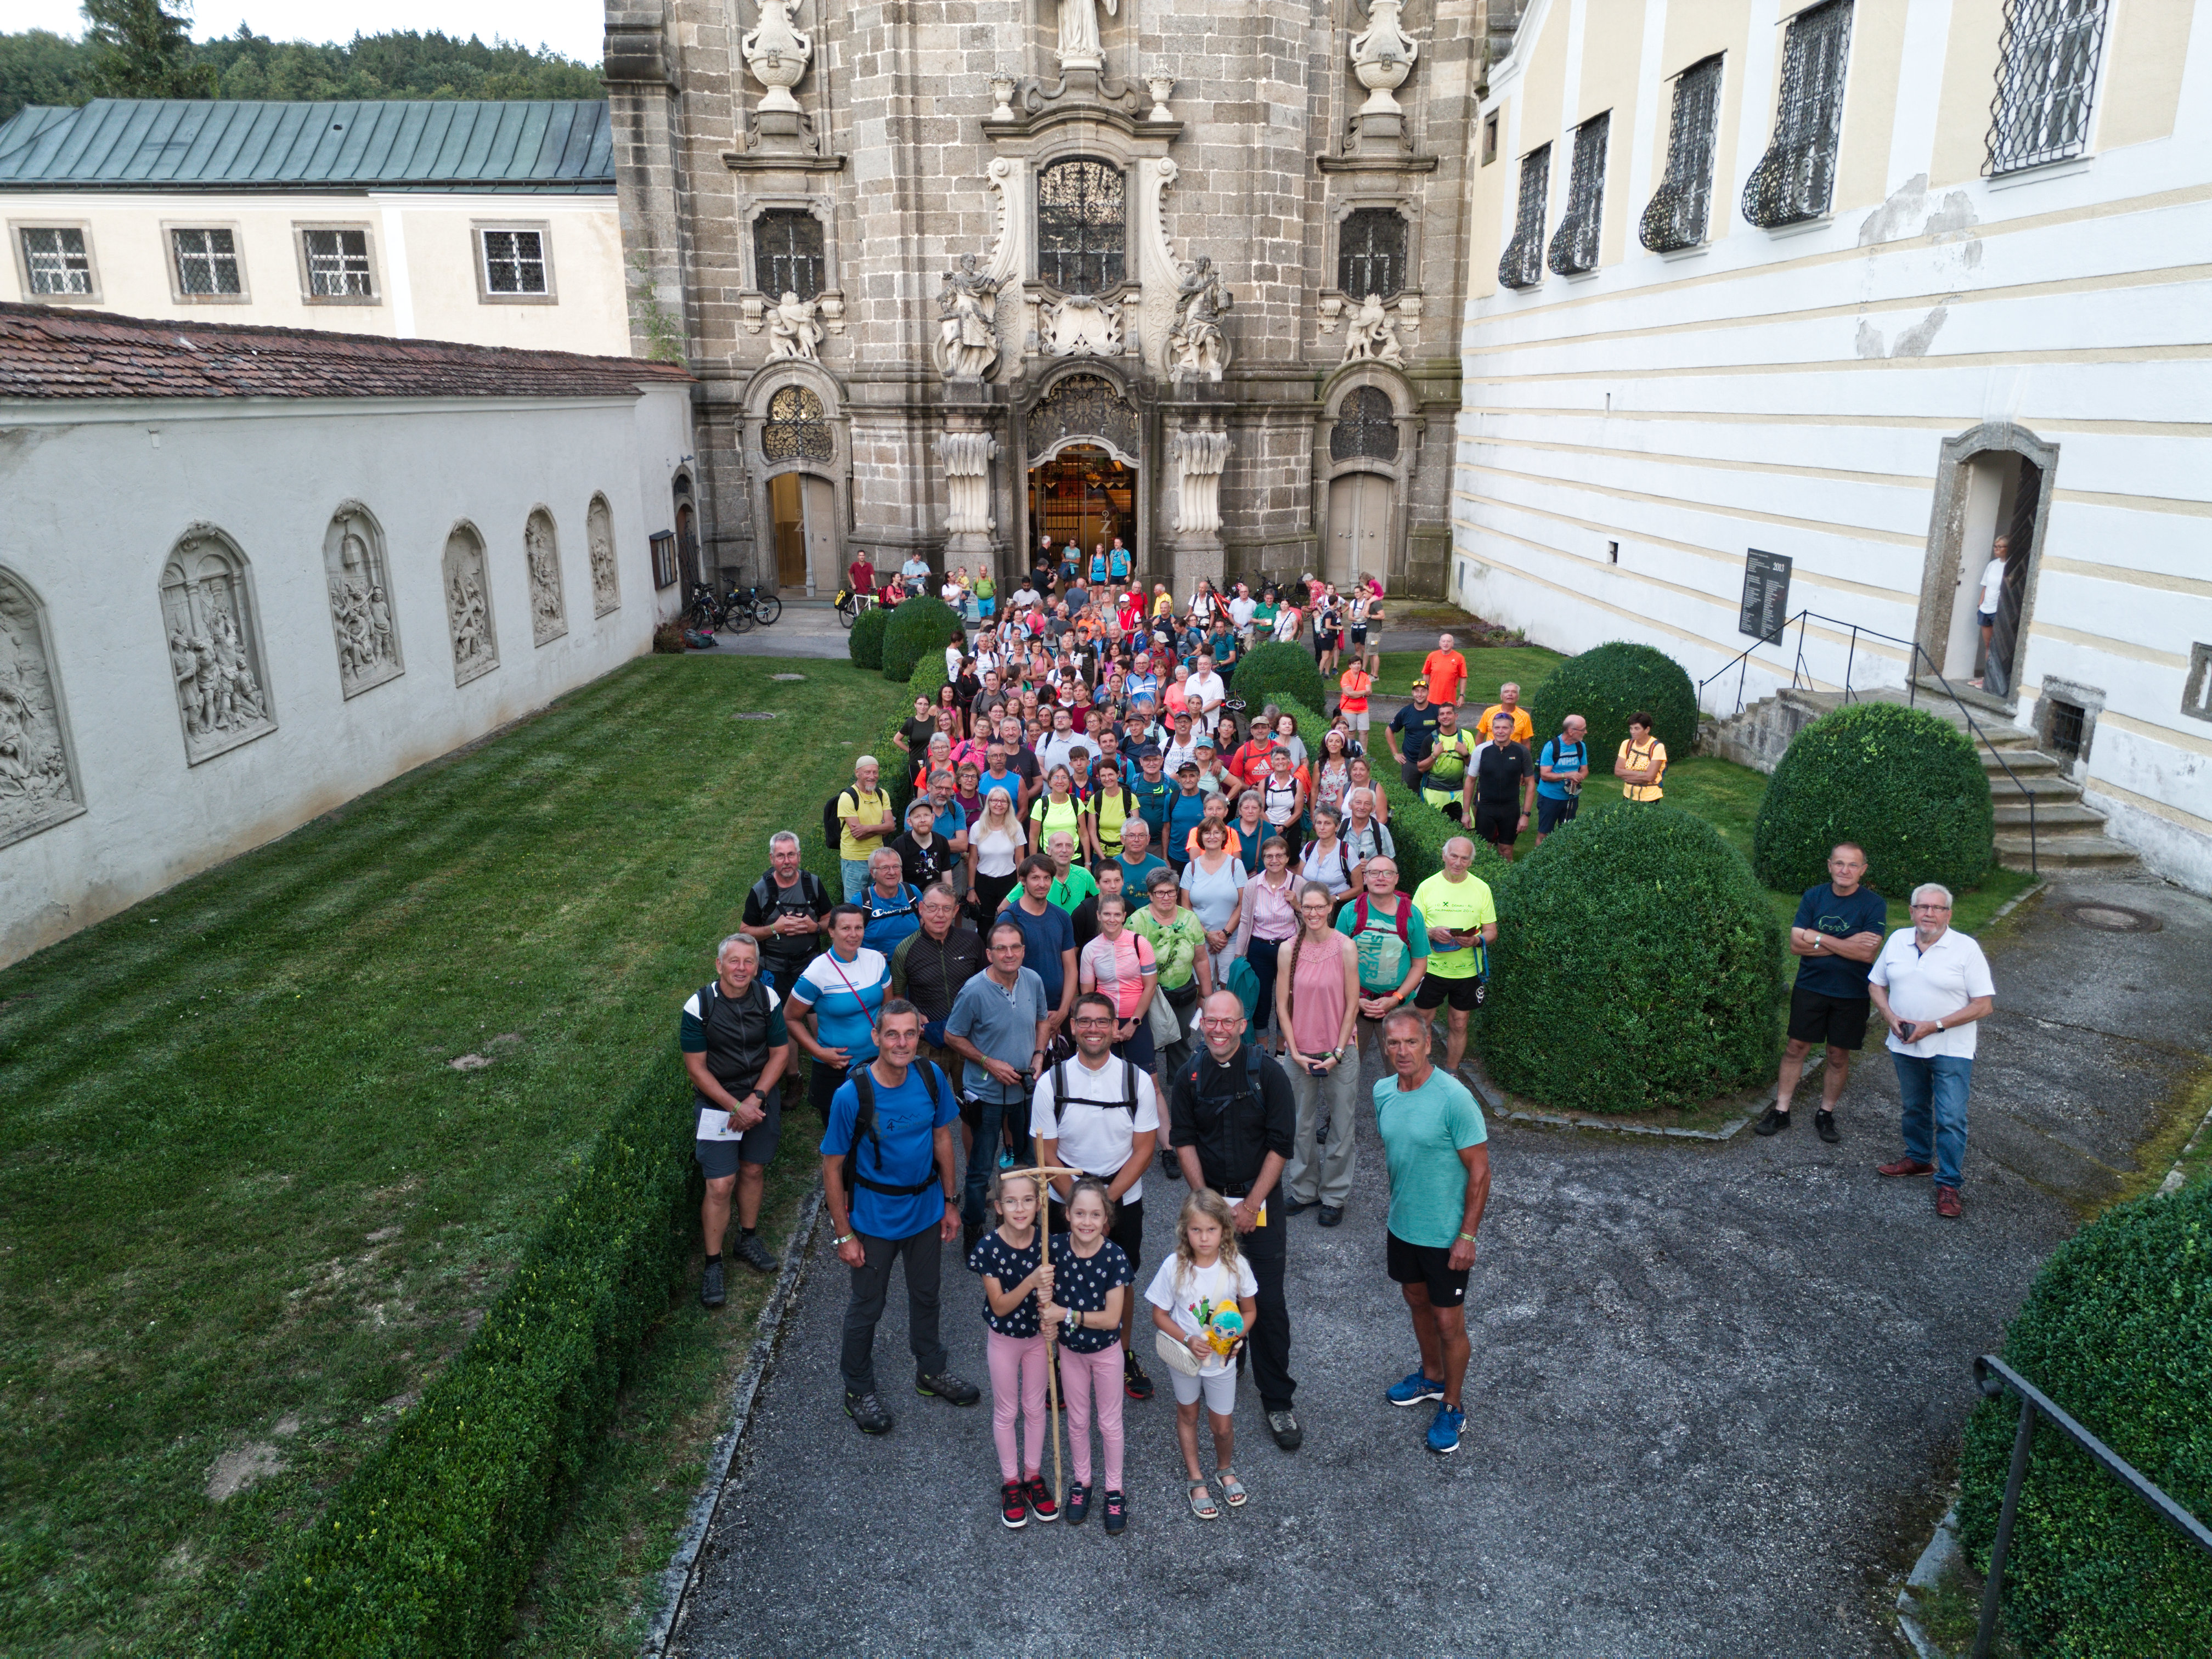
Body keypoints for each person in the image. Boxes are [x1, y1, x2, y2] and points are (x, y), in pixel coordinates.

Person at [820, 999, 979, 1434]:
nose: (902, 1043)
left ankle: (931, 1370)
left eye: (910, 1034)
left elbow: (942, 1138)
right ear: (876, 1038)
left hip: (925, 1212)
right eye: (892, 1034)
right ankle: (858, 1389)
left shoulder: (930, 1077)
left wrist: (949, 1202)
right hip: (874, 1222)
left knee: (927, 1295)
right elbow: (832, 1167)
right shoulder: (852, 1095)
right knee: (868, 1306)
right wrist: (843, 1235)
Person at [1168, 992, 1301, 1451]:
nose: (1219, 1030)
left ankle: (1278, 1400)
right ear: (1201, 1024)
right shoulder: (1188, 1076)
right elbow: (1183, 1140)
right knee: (1212, 1294)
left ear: (1244, 1026)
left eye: (1228, 1022)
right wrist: (1208, 1207)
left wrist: (1250, 1205)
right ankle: (1228, 1360)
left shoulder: (1269, 1075)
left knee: (1268, 1304)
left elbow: (1281, 1144)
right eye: (1212, 1021)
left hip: (1259, 1202)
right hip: (1210, 1208)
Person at [1374, 1008, 1492, 1456]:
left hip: (1446, 1236)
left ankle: (1453, 1406)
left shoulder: (1454, 1099)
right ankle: (1431, 1376)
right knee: (1417, 1301)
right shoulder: (1383, 1092)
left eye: (1412, 1042)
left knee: (1448, 1322)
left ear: (1428, 1044)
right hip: (1403, 1226)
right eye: (1394, 1043)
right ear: (1385, 1047)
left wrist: (1468, 1236)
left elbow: (1480, 1172)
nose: (1403, 1051)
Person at [1034, 993, 1162, 1396]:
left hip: (1121, 1197)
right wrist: (1081, 1208)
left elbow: (1144, 1150)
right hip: (1065, 1198)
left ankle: (1121, 1354)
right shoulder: (1051, 1082)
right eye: (1085, 1021)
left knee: (1121, 1279)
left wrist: (1103, 1208)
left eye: (1102, 1021)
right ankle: (1058, 1361)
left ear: (1114, 1027)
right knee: (1058, 1280)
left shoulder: (1136, 1080)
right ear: (1072, 1027)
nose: (1094, 1029)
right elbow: (1046, 1154)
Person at [1867, 884, 1996, 1220]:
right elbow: (1875, 984)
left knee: (1951, 1118)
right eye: (1922, 907)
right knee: (1914, 1107)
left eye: (1937, 908)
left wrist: (1934, 1026)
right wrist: (1890, 1017)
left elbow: (1983, 1005)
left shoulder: (1966, 949)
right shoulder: (1898, 940)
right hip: (1905, 1044)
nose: (1929, 913)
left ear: (1948, 914)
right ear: (1911, 911)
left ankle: (1949, 1184)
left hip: (1951, 1049)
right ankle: (1919, 1159)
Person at [680, 935, 794, 1298]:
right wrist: (736, 1107)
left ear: (757, 967)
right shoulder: (699, 1006)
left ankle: (747, 1239)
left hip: (759, 1097)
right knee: (720, 1185)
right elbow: (697, 1070)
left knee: (753, 1170)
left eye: (749, 961)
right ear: (719, 965)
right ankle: (713, 1264)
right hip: (718, 1103)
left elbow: (780, 1054)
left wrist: (756, 1098)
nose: (741, 968)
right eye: (734, 961)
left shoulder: (768, 998)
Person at [1758, 843, 1887, 1143]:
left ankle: (1826, 1113)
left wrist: (1817, 937)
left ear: (1863, 870)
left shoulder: (1873, 904)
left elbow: (1867, 954)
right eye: (1839, 863)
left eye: (1853, 865)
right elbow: (1795, 945)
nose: (1845, 870)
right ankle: (1781, 1111)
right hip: (1811, 986)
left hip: (1852, 992)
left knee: (1837, 1054)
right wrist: (1848, 943)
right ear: (1830, 865)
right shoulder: (1813, 897)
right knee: (1796, 1048)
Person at [1146, 1188, 1260, 1520]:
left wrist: (1236, 1337)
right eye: (1196, 1230)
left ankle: (1224, 1467)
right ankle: (1196, 1477)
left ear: (1225, 1229)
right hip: (1185, 1358)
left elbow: (1250, 1310)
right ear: (1185, 1230)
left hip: (1223, 1360)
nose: (1205, 1237)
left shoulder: (1236, 1265)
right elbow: (1159, 1314)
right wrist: (1187, 1339)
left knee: (1222, 1426)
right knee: (1188, 1415)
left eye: (1211, 1229)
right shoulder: (1175, 1266)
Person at [946, 918, 1054, 1246]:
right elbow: (952, 1036)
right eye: (1001, 948)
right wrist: (988, 1063)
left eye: (1015, 947)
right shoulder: (973, 991)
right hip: (985, 1093)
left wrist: (1038, 1056)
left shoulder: (1033, 980)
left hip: (1024, 1090)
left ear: (1023, 950)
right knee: (980, 1169)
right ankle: (973, 1231)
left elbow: (1043, 1020)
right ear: (990, 953)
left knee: (1026, 1163)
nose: (1009, 954)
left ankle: (1022, 1227)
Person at [968, 1167, 1058, 1527]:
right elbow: (1001, 1305)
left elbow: (1058, 1293)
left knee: (1035, 1408)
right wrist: (1032, 1281)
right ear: (998, 1206)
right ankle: (1011, 1482)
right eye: (1011, 1202)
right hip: (1004, 1340)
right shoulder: (988, 1249)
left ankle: (1032, 1475)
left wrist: (1053, 1311)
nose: (1020, 1209)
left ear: (1039, 1204)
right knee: (1007, 1411)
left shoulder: (1048, 1243)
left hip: (1037, 1339)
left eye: (1027, 1200)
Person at [1048, 1177, 1134, 1531]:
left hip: (1106, 1352)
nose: (1087, 1221)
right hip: (1070, 1352)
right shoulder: (1053, 1248)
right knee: (1077, 1420)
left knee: (1109, 1423)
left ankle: (1114, 1489)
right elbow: (1041, 1287)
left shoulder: (1115, 1257)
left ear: (1106, 1219)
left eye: (1095, 1214)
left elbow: (1112, 1318)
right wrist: (1045, 1308)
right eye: (1080, 1213)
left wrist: (1064, 1314)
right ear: (1067, 1214)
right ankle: (1082, 1482)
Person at [1277, 883, 1361, 1223]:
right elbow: (1282, 1007)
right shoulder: (1288, 949)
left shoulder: (1346, 947)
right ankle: (1304, 1190)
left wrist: (1338, 1052)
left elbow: (1352, 1004)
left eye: (1319, 907)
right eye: (1307, 907)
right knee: (1299, 1125)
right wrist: (1294, 1052)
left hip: (1341, 1051)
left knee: (1341, 1127)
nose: (1313, 913)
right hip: (1300, 1053)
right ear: (1301, 909)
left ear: (1330, 908)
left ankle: (1335, 1197)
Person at [786, 904, 893, 1120]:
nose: (853, 934)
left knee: (880, 1127)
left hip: (878, 1062)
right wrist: (819, 1052)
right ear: (832, 932)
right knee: (841, 1132)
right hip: (836, 1068)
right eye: (846, 928)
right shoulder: (816, 973)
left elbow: (889, 1010)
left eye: (859, 928)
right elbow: (790, 1017)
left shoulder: (876, 960)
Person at [1338, 856, 1431, 1079]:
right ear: (1365, 878)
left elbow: (1420, 964)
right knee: (1345, 1071)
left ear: (1396, 879)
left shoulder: (1412, 914)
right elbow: (1335, 962)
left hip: (1399, 1006)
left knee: (1404, 1070)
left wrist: (1396, 999)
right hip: (1355, 1004)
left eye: (1388, 873)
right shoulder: (1350, 912)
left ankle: (1401, 1103)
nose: (1381, 878)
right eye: (1374, 873)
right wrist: (1355, 999)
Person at [1412, 837, 1498, 1075]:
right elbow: (1411, 928)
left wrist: (1476, 940)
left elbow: (1491, 932)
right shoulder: (1427, 887)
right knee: (1422, 1023)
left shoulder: (1482, 888)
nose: (1458, 863)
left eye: (1464, 858)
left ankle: (1451, 1073)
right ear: (1444, 856)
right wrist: (1431, 933)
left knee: (1459, 1023)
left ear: (1471, 861)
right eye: (1454, 856)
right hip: (1430, 969)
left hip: (1467, 970)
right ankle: (1420, 1073)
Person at [890, 885, 985, 1073]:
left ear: (955, 911)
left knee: (969, 1091)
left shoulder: (972, 942)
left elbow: (988, 986)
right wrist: (913, 1014)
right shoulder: (905, 949)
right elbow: (897, 996)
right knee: (929, 1091)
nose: (939, 915)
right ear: (921, 908)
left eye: (946, 908)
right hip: (928, 1042)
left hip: (970, 1038)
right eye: (933, 907)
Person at [1133, 866, 1213, 1075]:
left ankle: (1182, 1087)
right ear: (1150, 895)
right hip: (1149, 995)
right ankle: (1148, 1087)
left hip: (1182, 993)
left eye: (1171, 892)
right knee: (1146, 1044)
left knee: (1181, 1044)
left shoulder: (1190, 919)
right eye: (1160, 892)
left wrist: (1206, 996)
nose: (1166, 897)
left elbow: (1201, 960)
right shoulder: (1137, 921)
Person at [740, 829, 831, 1011]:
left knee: (818, 1016)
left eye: (791, 855)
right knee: (777, 1019)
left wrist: (815, 927)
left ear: (799, 856)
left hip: (810, 966)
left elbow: (831, 920)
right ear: (772, 859)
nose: (787, 861)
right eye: (780, 856)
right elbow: (744, 932)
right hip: (773, 970)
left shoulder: (812, 884)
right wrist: (775, 928)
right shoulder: (760, 890)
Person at [995, 854, 1077, 1046]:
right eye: (1035, 878)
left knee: (1061, 1065)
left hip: (1058, 1010)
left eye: (1047, 878)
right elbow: (1002, 972)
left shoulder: (1062, 917)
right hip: (1022, 1013)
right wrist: (1037, 1018)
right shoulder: (1009, 919)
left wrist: (1063, 1012)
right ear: (1023, 881)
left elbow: (1071, 968)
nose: (1042, 884)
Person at [1230, 836, 1300, 1053]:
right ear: (1263, 859)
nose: (1274, 860)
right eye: (1269, 856)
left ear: (1287, 858)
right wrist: (1239, 954)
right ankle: (1262, 1051)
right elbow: (1245, 921)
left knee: (1287, 1000)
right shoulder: (1253, 885)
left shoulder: (1299, 883)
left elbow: (1311, 918)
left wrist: (1297, 904)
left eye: (1279, 855)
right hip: (1259, 949)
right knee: (1260, 1001)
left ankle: (1282, 1051)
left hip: (1288, 949)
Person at [1081, 891, 1160, 1074]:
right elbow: (1088, 995)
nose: (1112, 919)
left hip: (1136, 1019)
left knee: (1149, 1080)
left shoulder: (1140, 943)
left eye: (1117, 915)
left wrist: (1134, 1022)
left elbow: (1150, 987)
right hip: (1104, 1021)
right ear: (1099, 916)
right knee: (1106, 1080)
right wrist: (1107, 1026)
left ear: (1124, 917)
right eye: (1107, 914)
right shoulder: (1090, 949)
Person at [1181, 820, 1249, 989]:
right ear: (1201, 837)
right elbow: (1186, 907)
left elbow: (1243, 904)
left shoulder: (1236, 865)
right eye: (1207, 833)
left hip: (1230, 939)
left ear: (1224, 836)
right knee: (1202, 990)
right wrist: (1207, 935)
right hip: (1200, 939)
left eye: (1217, 832)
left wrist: (1225, 934)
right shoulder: (1191, 868)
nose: (1212, 837)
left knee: (1229, 989)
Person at [1466, 712, 1533, 858]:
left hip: (1510, 808)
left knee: (1506, 850)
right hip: (1486, 807)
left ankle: (1507, 874)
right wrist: (1466, 813)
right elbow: (1470, 780)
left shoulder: (1522, 751)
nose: (1500, 731)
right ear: (1492, 729)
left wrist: (1526, 815)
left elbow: (1530, 784)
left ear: (1512, 730)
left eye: (1505, 728)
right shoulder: (1481, 750)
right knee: (1483, 849)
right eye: (1497, 728)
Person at [836, 755, 899, 900]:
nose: (872, 776)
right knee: (855, 904)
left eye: (875, 772)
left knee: (878, 901)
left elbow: (890, 826)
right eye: (867, 772)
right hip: (854, 861)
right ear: (857, 773)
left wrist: (867, 829)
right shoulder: (847, 797)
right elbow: (858, 835)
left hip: (878, 860)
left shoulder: (882, 794)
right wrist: (882, 828)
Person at [967, 787, 1027, 921]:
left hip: (1009, 881)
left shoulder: (1016, 828)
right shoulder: (977, 827)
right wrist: (971, 889)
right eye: (994, 800)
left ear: (1008, 805)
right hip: (983, 881)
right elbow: (973, 860)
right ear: (988, 803)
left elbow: (1020, 861)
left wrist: (1020, 888)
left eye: (1003, 801)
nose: (999, 804)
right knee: (984, 924)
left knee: (1008, 922)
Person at [1533, 715, 1589, 844]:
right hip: (1550, 797)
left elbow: (1585, 770)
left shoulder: (1581, 746)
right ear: (1571, 731)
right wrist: (1568, 775)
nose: (1586, 732)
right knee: (1544, 834)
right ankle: (1540, 857)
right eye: (1583, 729)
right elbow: (1545, 775)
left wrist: (1579, 777)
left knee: (1568, 833)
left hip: (1571, 797)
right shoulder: (1552, 747)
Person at [858, 848, 924, 955]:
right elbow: (849, 938)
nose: (892, 872)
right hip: (878, 963)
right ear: (873, 873)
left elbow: (926, 927)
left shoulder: (912, 893)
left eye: (896, 867)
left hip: (914, 961)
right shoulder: (862, 901)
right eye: (885, 868)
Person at [1419, 702, 1475, 821]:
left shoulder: (1467, 736)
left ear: (1456, 716)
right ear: (1438, 718)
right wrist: (1434, 755)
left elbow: (1474, 766)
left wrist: (1465, 754)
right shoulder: (1430, 739)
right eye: (1442, 714)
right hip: (1435, 791)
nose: (1445, 716)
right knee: (1434, 826)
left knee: (1469, 826)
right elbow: (1421, 768)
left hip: (1458, 791)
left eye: (1449, 713)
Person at [1386, 678, 1442, 793]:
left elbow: (1448, 730)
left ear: (1428, 692)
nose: (1420, 694)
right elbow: (1389, 731)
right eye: (1417, 691)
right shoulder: (1406, 712)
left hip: (1433, 760)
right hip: (1411, 762)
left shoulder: (1437, 711)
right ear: (1412, 693)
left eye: (1423, 691)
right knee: (1409, 796)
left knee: (1435, 795)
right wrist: (1396, 754)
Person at [891, 798, 960, 893]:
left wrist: (947, 899)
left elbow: (947, 883)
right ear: (909, 822)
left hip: (937, 898)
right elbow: (899, 887)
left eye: (926, 815)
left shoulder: (942, 842)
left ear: (933, 818)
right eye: (917, 817)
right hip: (911, 899)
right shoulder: (899, 846)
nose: (923, 820)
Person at [1971, 535, 2008, 689]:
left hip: (1999, 610)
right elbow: (1985, 586)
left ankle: (1995, 680)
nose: (1996, 550)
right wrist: (1980, 604)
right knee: (1988, 645)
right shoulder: (1992, 565)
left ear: (2008, 549)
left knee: (1997, 646)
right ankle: (1987, 677)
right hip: (1986, 608)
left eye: (2000, 547)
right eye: (1995, 546)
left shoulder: (2010, 566)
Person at [1341, 789, 1395, 891]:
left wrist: (1372, 866)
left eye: (1367, 804)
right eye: (1358, 802)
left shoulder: (1381, 831)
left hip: (1371, 890)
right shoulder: (1339, 828)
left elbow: (1391, 865)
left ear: (1373, 808)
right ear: (1350, 805)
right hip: (1342, 888)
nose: (1362, 807)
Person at [1297, 804, 1353, 904]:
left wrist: (1335, 898)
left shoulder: (1346, 851)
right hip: (1309, 903)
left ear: (1337, 826)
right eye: (1319, 823)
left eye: (1327, 823)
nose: (1322, 827)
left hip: (1335, 906)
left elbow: (1358, 888)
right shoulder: (1309, 848)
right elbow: (1299, 879)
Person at [1615, 712, 1667, 802]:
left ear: (1647, 730)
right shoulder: (1626, 744)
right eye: (1631, 728)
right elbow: (1618, 771)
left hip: (1650, 798)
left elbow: (1649, 777)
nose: (1632, 732)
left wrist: (1628, 779)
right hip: (1628, 796)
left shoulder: (1657, 747)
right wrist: (1642, 774)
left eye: (1637, 728)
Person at [1113, 815, 1170, 893]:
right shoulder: (1112, 866)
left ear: (1148, 839)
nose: (1137, 840)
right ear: (1123, 839)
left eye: (1141, 836)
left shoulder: (1160, 866)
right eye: (1131, 836)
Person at [1475, 682, 1535, 748]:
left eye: (1514, 692)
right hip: (1491, 752)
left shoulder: (1524, 716)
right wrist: (1479, 752)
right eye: (1507, 692)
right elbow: (1480, 737)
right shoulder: (1489, 712)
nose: (1510, 694)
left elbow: (1526, 743)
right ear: (1501, 696)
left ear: (1518, 697)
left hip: (1513, 753)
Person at [1420, 633, 1468, 708]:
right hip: (1432, 699)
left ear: (1453, 644)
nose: (1446, 644)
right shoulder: (1432, 656)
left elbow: (1463, 678)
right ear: (1440, 643)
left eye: (1448, 642)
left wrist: (1462, 696)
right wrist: (1424, 692)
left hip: (1449, 701)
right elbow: (1426, 674)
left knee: (1447, 716)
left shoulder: (1459, 658)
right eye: (1444, 641)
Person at [1338, 658, 1374, 738]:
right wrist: (1363, 692)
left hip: (1363, 709)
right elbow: (1348, 694)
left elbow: (1369, 692)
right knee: (1351, 731)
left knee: (1364, 732)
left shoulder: (1364, 676)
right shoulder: (1346, 676)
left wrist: (1355, 693)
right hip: (1348, 709)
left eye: (1359, 664)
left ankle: (1363, 748)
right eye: (1354, 664)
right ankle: (1351, 747)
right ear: (1350, 666)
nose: (1357, 666)